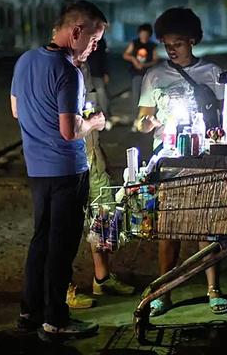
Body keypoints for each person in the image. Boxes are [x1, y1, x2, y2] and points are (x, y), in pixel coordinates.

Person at [10, 0, 107, 342]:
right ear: (76, 32)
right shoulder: (68, 71)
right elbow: (69, 131)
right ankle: (56, 320)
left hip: (37, 169)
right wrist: (93, 122)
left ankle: (29, 312)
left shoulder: (25, 60)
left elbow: (17, 111)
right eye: (94, 40)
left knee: (40, 241)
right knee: (61, 248)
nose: (94, 48)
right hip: (67, 171)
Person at [134, 7, 227, 317]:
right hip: (168, 160)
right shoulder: (155, 75)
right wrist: (146, 125)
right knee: (169, 227)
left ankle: (213, 289)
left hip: (205, 159)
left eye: (176, 42)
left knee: (207, 225)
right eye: (165, 43)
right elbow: (143, 120)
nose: (170, 49)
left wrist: (220, 131)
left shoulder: (214, 74)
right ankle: (165, 290)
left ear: (192, 40)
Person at [64, 36, 135, 311]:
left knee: (103, 213)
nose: (97, 47)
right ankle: (64, 288)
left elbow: (93, 111)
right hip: (67, 162)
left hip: (92, 155)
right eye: (93, 40)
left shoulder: (86, 70)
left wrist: (99, 149)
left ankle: (102, 278)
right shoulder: (58, 70)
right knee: (67, 226)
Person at [123, 23, 159, 113]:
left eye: (146, 34)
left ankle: (148, 116)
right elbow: (125, 55)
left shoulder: (152, 46)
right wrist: (133, 59)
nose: (144, 36)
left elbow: (155, 60)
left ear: (149, 35)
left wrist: (145, 65)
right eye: (142, 34)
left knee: (149, 96)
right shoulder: (135, 43)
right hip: (136, 74)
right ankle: (135, 118)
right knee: (136, 96)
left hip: (149, 74)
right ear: (139, 33)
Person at [86, 37, 114, 130]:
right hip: (86, 74)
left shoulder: (101, 41)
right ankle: (91, 121)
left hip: (98, 73)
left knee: (102, 95)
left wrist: (106, 72)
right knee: (90, 98)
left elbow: (104, 57)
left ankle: (106, 118)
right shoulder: (84, 38)